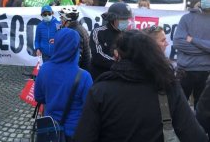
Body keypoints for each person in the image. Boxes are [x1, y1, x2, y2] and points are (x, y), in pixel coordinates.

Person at [74, 30, 208, 142]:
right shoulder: (168, 87)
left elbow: (84, 137)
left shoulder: (100, 91)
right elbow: (195, 137)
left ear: (118, 55)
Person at [35, 28, 93, 142]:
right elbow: (90, 108)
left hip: (51, 130)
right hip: (75, 132)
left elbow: (39, 97)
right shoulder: (84, 76)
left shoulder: (44, 69)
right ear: (76, 47)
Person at [173, 0, 210, 109]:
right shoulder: (187, 18)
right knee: (179, 108)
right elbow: (178, 42)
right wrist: (205, 48)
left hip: (206, 73)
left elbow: (187, 42)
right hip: (185, 71)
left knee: (202, 111)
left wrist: (193, 40)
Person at [90, 2, 132, 80]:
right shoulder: (98, 32)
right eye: (122, 19)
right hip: (100, 77)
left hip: (120, 78)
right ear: (112, 18)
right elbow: (98, 56)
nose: (125, 22)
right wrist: (120, 65)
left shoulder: (128, 34)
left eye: (127, 19)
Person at [58, 7, 91, 71]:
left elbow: (77, 56)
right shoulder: (78, 28)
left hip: (78, 71)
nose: (60, 20)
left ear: (67, 20)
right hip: (82, 69)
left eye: (62, 18)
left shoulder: (74, 32)